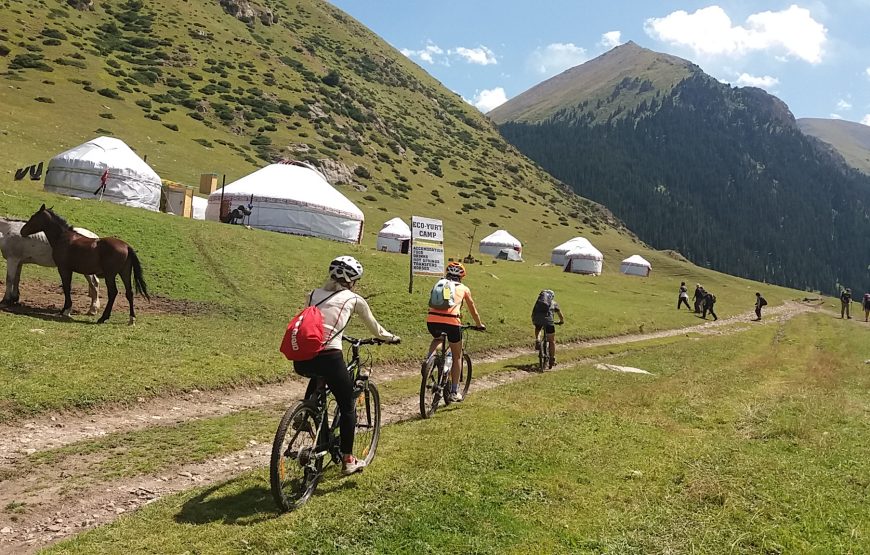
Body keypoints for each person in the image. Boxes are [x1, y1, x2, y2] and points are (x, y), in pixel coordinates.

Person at [294, 256, 400, 476]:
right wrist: (391, 338)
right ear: (352, 281)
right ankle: (348, 460)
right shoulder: (354, 299)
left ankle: (305, 414)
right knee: (348, 405)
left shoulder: (313, 294)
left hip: (302, 358)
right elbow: (376, 329)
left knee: (318, 372)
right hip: (330, 357)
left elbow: (313, 324)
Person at [426, 261, 485, 402]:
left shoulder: (439, 284)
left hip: (432, 320)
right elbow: (473, 309)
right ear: (461, 277)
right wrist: (479, 324)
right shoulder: (464, 288)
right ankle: (454, 391)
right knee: (457, 356)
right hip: (452, 322)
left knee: (438, 339)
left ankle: (428, 362)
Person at [531, 290, 565, 368]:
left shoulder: (539, 302)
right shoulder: (554, 303)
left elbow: (534, 312)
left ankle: (538, 340)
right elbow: (560, 316)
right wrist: (561, 321)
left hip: (537, 319)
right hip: (549, 322)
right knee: (551, 341)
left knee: (538, 328)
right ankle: (552, 359)